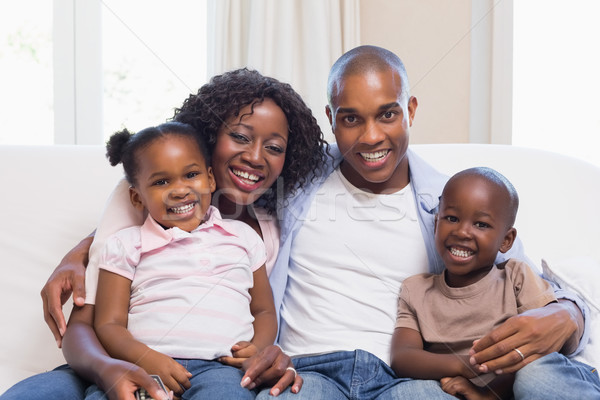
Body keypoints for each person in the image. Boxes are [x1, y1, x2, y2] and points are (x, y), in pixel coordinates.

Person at [239, 45, 591, 399]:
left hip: (406, 379)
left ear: (410, 110)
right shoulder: (296, 175)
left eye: (387, 115)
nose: (371, 136)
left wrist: (569, 314)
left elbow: (528, 280)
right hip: (307, 371)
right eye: (351, 119)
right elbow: (206, 185)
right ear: (330, 118)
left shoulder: (450, 201)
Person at [3, 68, 325, 400]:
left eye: (274, 147)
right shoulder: (136, 216)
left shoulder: (263, 230)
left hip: (215, 368)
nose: (256, 156)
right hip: (113, 361)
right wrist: (83, 249)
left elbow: (262, 313)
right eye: (240, 136)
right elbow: (90, 321)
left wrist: (259, 350)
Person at [83, 122, 276, 399]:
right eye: (161, 182)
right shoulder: (125, 244)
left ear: (210, 179)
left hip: (221, 369)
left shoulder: (243, 237)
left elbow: (264, 311)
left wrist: (257, 347)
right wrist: (146, 359)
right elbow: (108, 324)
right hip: (146, 367)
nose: (180, 190)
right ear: (137, 198)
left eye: (191, 174)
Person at [391, 167, 600, 400]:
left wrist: (488, 393)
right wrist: (461, 365)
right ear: (436, 223)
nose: (462, 232)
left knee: (536, 378)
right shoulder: (416, 290)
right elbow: (403, 357)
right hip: (464, 389)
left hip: (537, 379)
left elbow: (542, 348)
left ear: (506, 240)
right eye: (451, 218)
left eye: (481, 224)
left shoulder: (515, 277)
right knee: (404, 393)